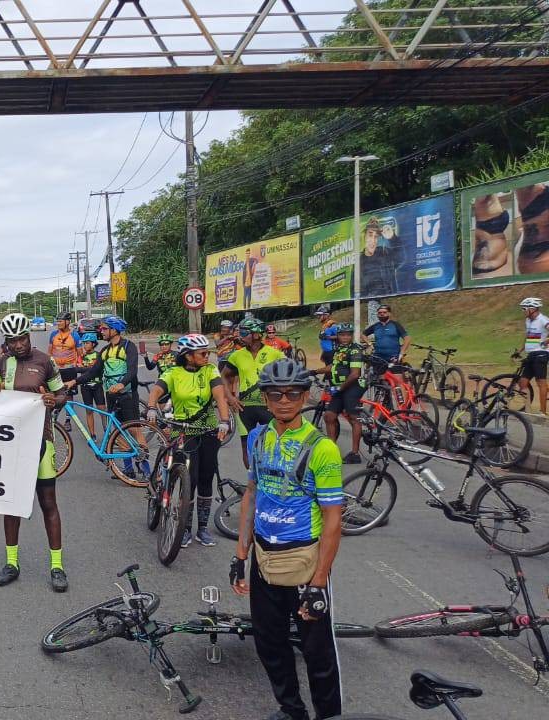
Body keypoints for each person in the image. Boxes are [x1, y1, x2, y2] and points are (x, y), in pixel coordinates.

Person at [231, 358, 344, 720]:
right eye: (275, 394)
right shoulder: (259, 438)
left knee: (318, 655)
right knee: (270, 644)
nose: (284, 400)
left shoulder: (321, 448)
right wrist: (240, 554)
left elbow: (333, 518)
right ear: (264, 399)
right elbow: (251, 494)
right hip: (264, 558)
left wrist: (319, 581)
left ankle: (328, 716)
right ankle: (292, 709)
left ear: (304, 396)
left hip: (305, 564)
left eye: (293, 393)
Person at [0, 313, 69, 592]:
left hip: (41, 441)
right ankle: (12, 563)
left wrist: (51, 400)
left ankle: (56, 566)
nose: (18, 344)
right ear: (6, 342)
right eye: (12, 340)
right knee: (11, 505)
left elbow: (62, 395)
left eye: (22, 338)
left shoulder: (45, 361)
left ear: (29, 337)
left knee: (48, 504)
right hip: (11, 445)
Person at [145, 334, 232, 548]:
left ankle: (202, 528)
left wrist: (223, 421)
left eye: (208, 352)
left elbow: (220, 397)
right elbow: (157, 390)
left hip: (209, 429)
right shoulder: (173, 373)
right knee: (189, 479)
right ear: (188, 356)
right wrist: (151, 406)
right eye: (202, 353)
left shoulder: (210, 370)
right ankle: (184, 528)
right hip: (183, 429)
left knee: (205, 477)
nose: (207, 356)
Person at [69, 316, 149, 479]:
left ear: (115, 330)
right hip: (111, 396)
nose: (101, 331)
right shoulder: (104, 351)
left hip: (127, 394)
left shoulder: (128, 346)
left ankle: (148, 471)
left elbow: (132, 370)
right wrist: (74, 381)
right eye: (102, 329)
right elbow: (93, 372)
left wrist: (121, 384)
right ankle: (128, 469)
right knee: (117, 433)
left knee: (134, 430)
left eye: (105, 329)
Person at [224, 319, 287, 469]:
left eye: (244, 333)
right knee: (247, 447)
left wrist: (281, 398)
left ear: (256, 334)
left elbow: (289, 375)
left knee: (272, 444)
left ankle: (270, 481)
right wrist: (231, 397)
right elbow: (224, 376)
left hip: (268, 407)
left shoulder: (275, 354)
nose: (240, 336)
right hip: (244, 408)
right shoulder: (236, 356)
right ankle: (252, 482)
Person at [314, 324, 365, 464]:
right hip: (339, 388)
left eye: (348, 335)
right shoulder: (339, 349)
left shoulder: (355, 350)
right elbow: (334, 366)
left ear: (351, 336)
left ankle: (355, 454)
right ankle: (332, 449)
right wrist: (315, 371)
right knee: (329, 416)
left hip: (352, 387)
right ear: (338, 335)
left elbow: (355, 374)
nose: (345, 337)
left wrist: (339, 389)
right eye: (342, 334)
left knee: (354, 418)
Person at [518, 297, 549, 415]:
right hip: (531, 354)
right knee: (523, 382)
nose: (523, 311)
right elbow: (529, 337)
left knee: (540, 383)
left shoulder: (543, 320)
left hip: (541, 354)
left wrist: (547, 341)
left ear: (532, 309)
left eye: (524, 309)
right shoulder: (528, 321)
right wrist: (520, 350)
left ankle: (543, 412)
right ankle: (527, 410)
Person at [75, 332, 105, 438]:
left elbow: (98, 370)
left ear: (93, 344)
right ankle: (92, 434)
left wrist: (87, 369)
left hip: (97, 385)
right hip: (85, 387)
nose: (85, 346)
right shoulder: (81, 357)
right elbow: (77, 369)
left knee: (102, 410)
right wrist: (91, 368)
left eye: (87, 343)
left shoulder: (98, 355)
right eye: (84, 343)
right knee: (89, 411)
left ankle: (107, 432)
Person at [360, 217, 398, 297]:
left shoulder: (384, 253)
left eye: (376, 237)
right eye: (370, 235)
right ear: (364, 236)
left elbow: (401, 258)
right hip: (370, 301)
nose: (373, 240)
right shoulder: (359, 262)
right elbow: (355, 289)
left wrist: (392, 238)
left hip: (388, 299)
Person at [48, 312, 83, 385]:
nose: (58, 323)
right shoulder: (53, 334)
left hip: (70, 370)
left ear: (67, 322)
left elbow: (80, 353)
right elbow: (49, 352)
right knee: (56, 394)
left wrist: (79, 365)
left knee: (68, 394)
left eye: (60, 321)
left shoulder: (74, 335)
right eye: (57, 321)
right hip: (56, 370)